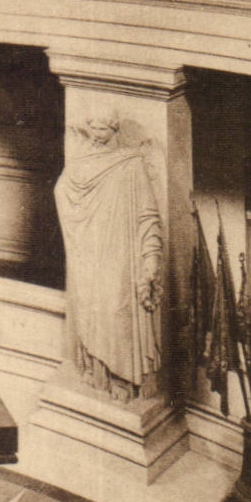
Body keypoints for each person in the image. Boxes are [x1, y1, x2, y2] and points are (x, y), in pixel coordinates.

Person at [54, 112, 164, 401]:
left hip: (120, 253)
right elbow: (63, 190)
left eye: (101, 128)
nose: (94, 134)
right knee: (90, 308)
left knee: (117, 309)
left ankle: (123, 379)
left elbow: (148, 214)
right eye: (91, 128)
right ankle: (95, 371)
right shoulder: (81, 163)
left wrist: (151, 257)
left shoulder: (131, 164)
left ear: (114, 128)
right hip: (89, 251)